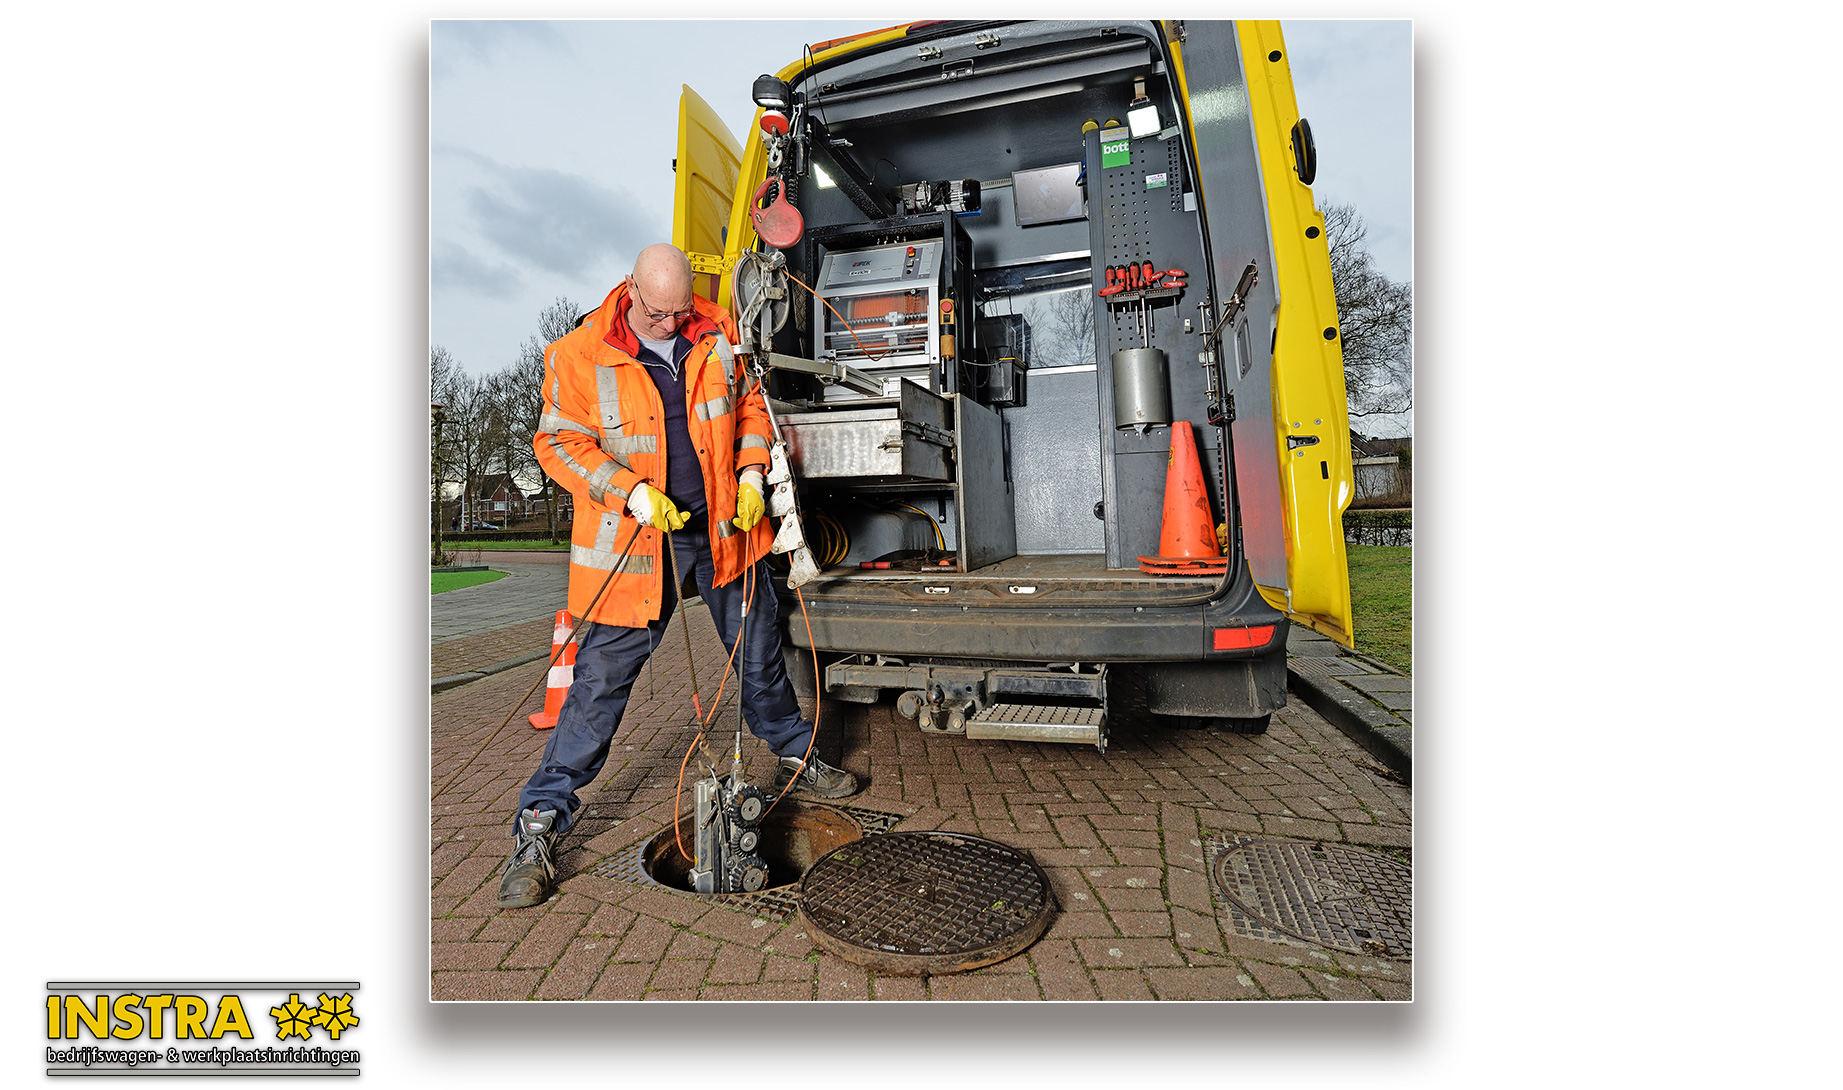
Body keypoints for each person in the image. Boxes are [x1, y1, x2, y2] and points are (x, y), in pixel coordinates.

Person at [498, 244, 858, 909]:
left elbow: (750, 406)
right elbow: (556, 443)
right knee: (599, 687)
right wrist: (630, 493)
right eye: (659, 314)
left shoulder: (715, 328)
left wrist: (751, 474)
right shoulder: (578, 355)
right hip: (636, 544)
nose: (671, 324)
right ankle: (540, 822)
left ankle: (795, 756)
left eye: (680, 310)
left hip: (723, 530)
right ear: (630, 292)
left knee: (758, 653)